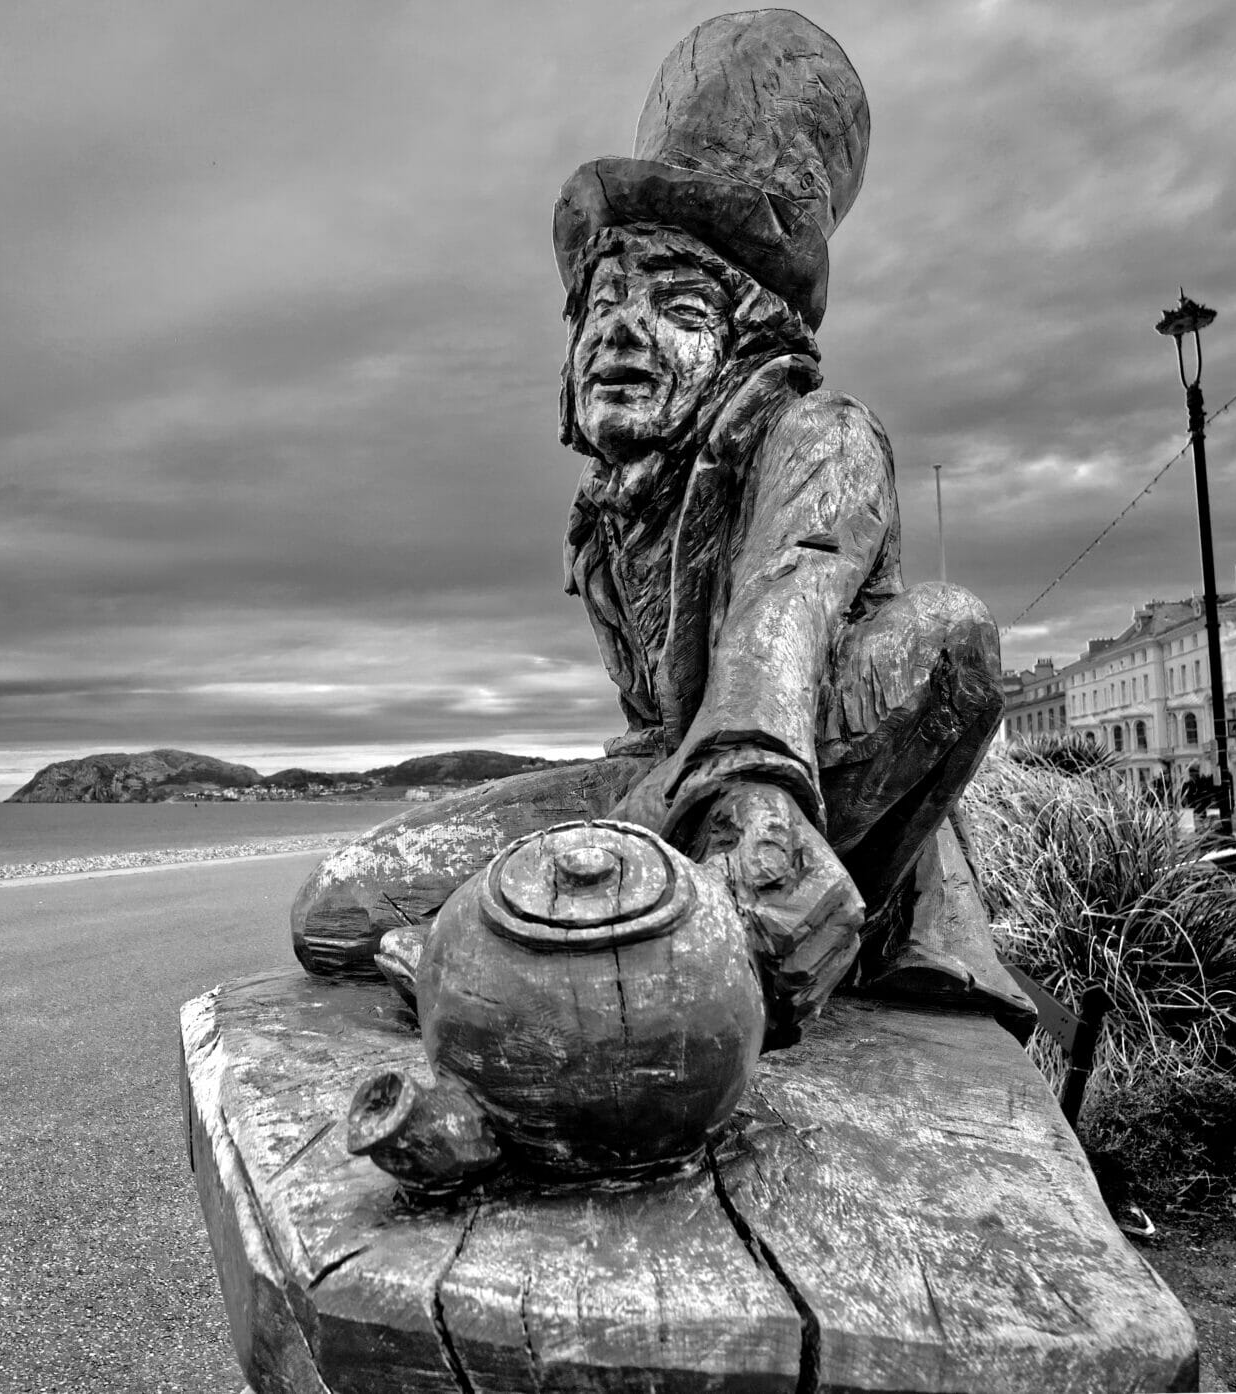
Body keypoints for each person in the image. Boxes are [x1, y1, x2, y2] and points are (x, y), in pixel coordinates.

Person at [293, 9, 1028, 1042]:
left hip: (800, 782)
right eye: (602, 302)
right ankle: (533, 951)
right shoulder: (613, 514)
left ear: (744, 343)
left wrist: (757, 810)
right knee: (337, 908)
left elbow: (790, 602)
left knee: (951, 636)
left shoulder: (821, 435)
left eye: (676, 303)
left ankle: (579, 952)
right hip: (674, 789)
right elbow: (650, 737)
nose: (620, 330)